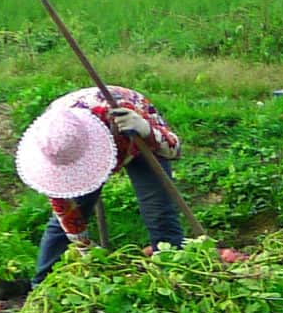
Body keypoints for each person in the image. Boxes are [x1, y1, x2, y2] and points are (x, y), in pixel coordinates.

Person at [15, 85, 185, 285]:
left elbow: (174, 149)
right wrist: (83, 246)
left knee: (159, 212)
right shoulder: (52, 141)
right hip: (77, 145)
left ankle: (173, 278)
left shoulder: (122, 111)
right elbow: (64, 208)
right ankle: (41, 284)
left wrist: (147, 131)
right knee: (71, 214)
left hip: (134, 138)